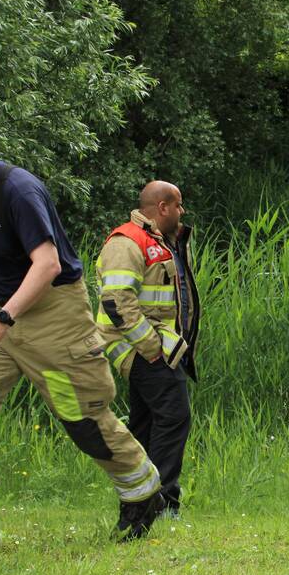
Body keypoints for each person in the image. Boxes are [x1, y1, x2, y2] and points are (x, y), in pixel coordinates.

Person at [0, 117, 165, 553]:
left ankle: (143, 496)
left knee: (84, 421)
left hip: (52, 316)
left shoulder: (19, 191)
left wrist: (4, 319)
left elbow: (46, 264)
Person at [95, 181, 200, 518]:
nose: (182, 212)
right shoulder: (127, 242)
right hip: (140, 348)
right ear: (163, 206)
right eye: (179, 205)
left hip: (156, 348)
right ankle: (163, 502)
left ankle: (140, 498)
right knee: (174, 415)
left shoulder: (159, 241)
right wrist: (151, 348)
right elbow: (116, 301)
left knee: (146, 423)